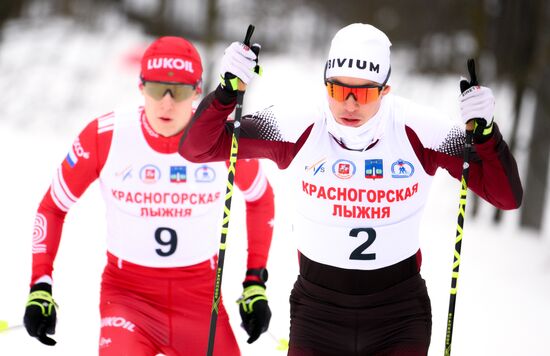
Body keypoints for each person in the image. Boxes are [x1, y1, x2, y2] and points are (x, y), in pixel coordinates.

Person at [179, 23, 523, 356]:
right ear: (325, 83)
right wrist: (226, 92)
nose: (350, 104)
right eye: (338, 89)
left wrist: (487, 134)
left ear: (386, 89)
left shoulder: (421, 128)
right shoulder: (295, 123)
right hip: (318, 314)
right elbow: (197, 148)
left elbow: (506, 197)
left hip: (398, 315)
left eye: (364, 92)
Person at [23, 36, 275, 356]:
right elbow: (53, 207)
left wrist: (255, 281)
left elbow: (260, 199)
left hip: (199, 300)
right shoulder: (106, 136)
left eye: (180, 91)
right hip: (128, 298)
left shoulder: (225, 138)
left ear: (198, 90)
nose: (167, 103)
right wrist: (40, 286)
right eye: (157, 89)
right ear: (141, 87)